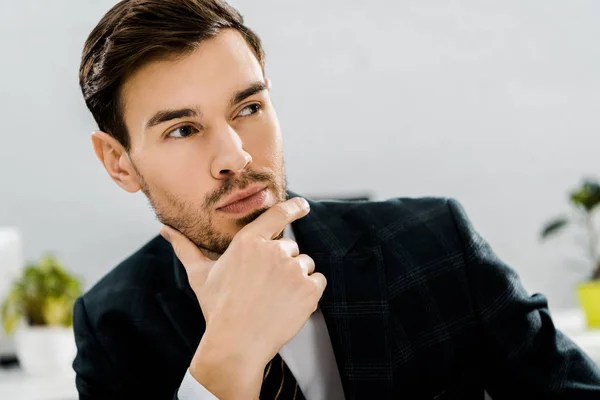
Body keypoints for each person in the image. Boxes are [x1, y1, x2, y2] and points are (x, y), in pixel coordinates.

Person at [73, 0, 600, 399]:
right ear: (119, 162)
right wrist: (226, 358)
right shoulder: (113, 324)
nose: (234, 156)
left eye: (249, 108)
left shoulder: (437, 241)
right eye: (184, 130)